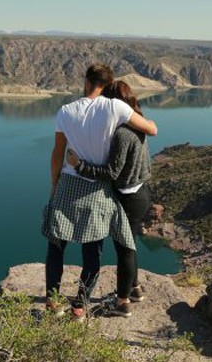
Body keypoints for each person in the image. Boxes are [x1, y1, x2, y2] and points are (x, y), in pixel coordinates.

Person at [43, 64, 157, 320]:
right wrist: (149, 121)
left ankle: (52, 302)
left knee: (55, 246)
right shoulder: (116, 108)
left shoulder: (65, 111)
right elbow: (150, 129)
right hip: (96, 189)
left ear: (86, 82)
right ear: (108, 85)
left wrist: (54, 185)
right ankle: (80, 307)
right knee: (91, 252)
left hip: (68, 184)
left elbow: (57, 153)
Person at [66, 80, 153, 318]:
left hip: (126, 199)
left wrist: (79, 165)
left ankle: (122, 302)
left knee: (124, 250)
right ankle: (134, 288)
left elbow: (112, 173)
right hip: (140, 194)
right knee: (130, 246)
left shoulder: (123, 133)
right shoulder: (140, 126)